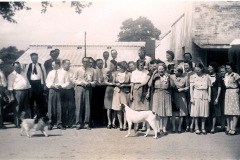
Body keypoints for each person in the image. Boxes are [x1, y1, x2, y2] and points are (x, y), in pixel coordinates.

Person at [149, 63, 172, 134]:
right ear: (157, 70)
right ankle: (158, 128)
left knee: (165, 111)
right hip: (157, 94)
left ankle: (164, 128)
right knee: (157, 112)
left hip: (166, 94)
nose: (161, 70)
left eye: (162, 69)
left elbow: (173, 85)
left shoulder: (168, 76)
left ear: (165, 69)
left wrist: (170, 77)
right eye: (159, 69)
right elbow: (149, 85)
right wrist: (153, 75)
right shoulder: (155, 76)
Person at [74, 57, 96, 130]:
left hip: (88, 88)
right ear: (82, 62)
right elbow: (74, 80)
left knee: (88, 106)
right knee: (79, 105)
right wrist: (81, 82)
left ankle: (87, 123)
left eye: (88, 62)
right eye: (85, 61)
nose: (86, 63)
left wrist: (90, 83)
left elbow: (95, 81)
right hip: (79, 88)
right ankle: (78, 123)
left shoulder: (92, 70)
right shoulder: (78, 70)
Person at [46, 60, 69, 130]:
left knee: (60, 107)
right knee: (51, 108)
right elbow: (47, 82)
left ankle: (59, 123)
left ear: (57, 65)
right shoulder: (50, 72)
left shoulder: (64, 72)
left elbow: (67, 82)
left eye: (53, 65)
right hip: (52, 90)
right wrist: (51, 85)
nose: (52, 66)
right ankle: (51, 123)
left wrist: (61, 86)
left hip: (60, 91)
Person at [8, 62, 31, 128]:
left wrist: (29, 90)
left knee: (26, 108)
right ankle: (17, 123)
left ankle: (27, 124)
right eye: (16, 67)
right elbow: (10, 87)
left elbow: (28, 83)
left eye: (19, 67)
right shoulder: (11, 75)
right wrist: (12, 96)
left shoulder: (24, 73)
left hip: (26, 91)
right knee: (17, 108)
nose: (18, 68)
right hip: (17, 92)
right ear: (14, 67)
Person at [190, 63, 211, 135]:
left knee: (204, 112)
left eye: (198, 70)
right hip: (196, 94)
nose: (197, 71)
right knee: (196, 112)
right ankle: (196, 128)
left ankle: (203, 128)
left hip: (204, 94)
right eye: (196, 70)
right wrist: (192, 97)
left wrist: (209, 96)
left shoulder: (207, 76)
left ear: (202, 69)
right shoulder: (193, 76)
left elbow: (209, 87)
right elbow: (191, 88)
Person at [130, 60, 150, 131]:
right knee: (136, 108)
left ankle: (144, 126)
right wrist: (131, 93)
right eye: (140, 65)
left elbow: (148, 84)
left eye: (142, 65)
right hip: (136, 88)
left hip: (144, 89)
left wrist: (148, 92)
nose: (141, 66)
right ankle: (136, 125)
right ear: (137, 65)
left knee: (144, 108)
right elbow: (132, 84)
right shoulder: (134, 72)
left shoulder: (147, 72)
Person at [25, 53, 47, 118]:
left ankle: (40, 116)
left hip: (39, 85)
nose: (34, 59)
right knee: (31, 101)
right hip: (31, 85)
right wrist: (28, 85)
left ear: (37, 58)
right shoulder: (28, 66)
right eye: (32, 58)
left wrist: (44, 85)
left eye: (35, 57)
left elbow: (44, 75)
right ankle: (31, 116)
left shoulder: (41, 65)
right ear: (31, 58)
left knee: (39, 101)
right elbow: (26, 76)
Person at [112, 61, 131, 131]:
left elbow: (131, 84)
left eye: (119, 67)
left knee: (125, 109)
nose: (118, 69)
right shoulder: (116, 74)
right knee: (118, 109)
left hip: (125, 92)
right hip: (117, 92)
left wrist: (125, 85)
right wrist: (116, 84)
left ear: (123, 67)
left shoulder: (129, 74)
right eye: (117, 68)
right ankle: (120, 124)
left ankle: (125, 125)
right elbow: (113, 82)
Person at [170, 66, 189, 133]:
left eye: (176, 71)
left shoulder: (185, 78)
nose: (175, 72)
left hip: (182, 96)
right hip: (174, 95)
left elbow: (187, 87)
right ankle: (173, 127)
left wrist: (183, 89)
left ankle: (179, 127)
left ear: (180, 72)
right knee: (173, 112)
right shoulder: (171, 77)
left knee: (182, 112)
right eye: (174, 71)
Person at [224, 62, 240, 135]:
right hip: (227, 92)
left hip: (234, 92)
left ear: (232, 68)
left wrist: (238, 90)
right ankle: (229, 127)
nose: (227, 69)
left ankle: (234, 128)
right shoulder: (226, 75)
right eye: (226, 68)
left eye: (228, 68)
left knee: (234, 110)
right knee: (228, 111)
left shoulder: (236, 75)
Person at [92, 59, 107, 127]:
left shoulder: (105, 70)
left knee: (103, 105)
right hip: (96, 89)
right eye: (99, 63)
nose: (100, 64)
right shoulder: (94, 71)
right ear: (96, 64)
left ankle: (102, 122)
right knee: (96, 105)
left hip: (103, 88)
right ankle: (96, 121)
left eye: (101, 63)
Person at [60, 59, 75, 128]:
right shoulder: (60, 72)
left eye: (69, 64)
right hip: (63, 91)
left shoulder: (72, 71)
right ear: (63, 65)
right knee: (63, 107)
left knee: (71, 107)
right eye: (67, 64)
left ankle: (70, 123)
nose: (69, 65)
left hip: (70, 91)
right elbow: (60, 83)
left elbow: (73, 80)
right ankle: (63, 123)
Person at [208, 62, 222, 134]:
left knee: (214, 112)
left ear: (214, 68)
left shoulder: (218, 76)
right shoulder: (207, 76)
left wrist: (217, 98)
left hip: (215, 94)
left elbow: (219, 88)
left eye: (210, 67)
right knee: (208, 111)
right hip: (207, 94)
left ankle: (213, 127)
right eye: (208, 67)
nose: (209, 69)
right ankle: (209, 126)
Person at [104, 60, 117, 129]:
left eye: (112, 65)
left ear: (115, 65)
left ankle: (114, 122)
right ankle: (109, 122)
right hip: (109, 89)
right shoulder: (108, 72)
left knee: (114, 106)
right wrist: (111, 83)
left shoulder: (118, 73)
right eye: (110, 65)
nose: (110, 67)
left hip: (116, 90)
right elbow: (105, 81)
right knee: (108, 107)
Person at [183, 61, 195, 132]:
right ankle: (187, 125)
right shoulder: (183, 74)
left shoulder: (193, 74)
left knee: (192, 109)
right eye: (184, 66)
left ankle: (192, 125)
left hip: (192, 93)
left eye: (187, 65)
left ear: (190, 66)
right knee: (186, 110)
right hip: (185, 94)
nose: (185, 67)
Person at [0, 59, 8, 129]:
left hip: (2, 89)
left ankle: (1, 123)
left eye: (2, 64)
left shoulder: (2, 71)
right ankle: (1, 124)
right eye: (0, 64)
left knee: (1, 108)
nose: (1, 65)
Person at [218, 65, 226, 131]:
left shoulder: (228, 78)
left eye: (223, 71)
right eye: (221, 71)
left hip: (227, 96)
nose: (222, 73)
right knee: (222, 111)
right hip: (221, 96)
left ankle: (227, 126)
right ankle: (222, 125)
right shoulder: (219, 78)